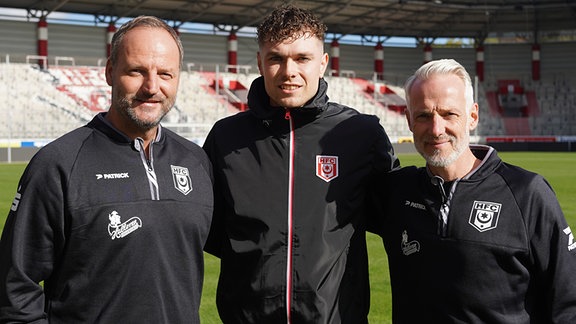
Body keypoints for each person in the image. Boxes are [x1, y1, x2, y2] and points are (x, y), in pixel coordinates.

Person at [0, 16, 213, 323]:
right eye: (136, 71)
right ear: (110, 72)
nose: (152, 86)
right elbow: (14, 289)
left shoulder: (196, 160)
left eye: (165, 73)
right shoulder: (58, 163)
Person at [202, 4, 399, 323]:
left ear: (323, 63)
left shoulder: (360, 134)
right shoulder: (226, 139)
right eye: (276, 58)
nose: (288, 71)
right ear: (260, 63)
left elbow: (396, 216)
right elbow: (210, 233)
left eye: (302, 58)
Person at [371, 58, 576, 323]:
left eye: (449, 114)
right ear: (409, 120)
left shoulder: (527, 193)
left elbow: (568, 301)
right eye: (423, 115)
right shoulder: (395, 191)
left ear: (473, 116)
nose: (436, 129)